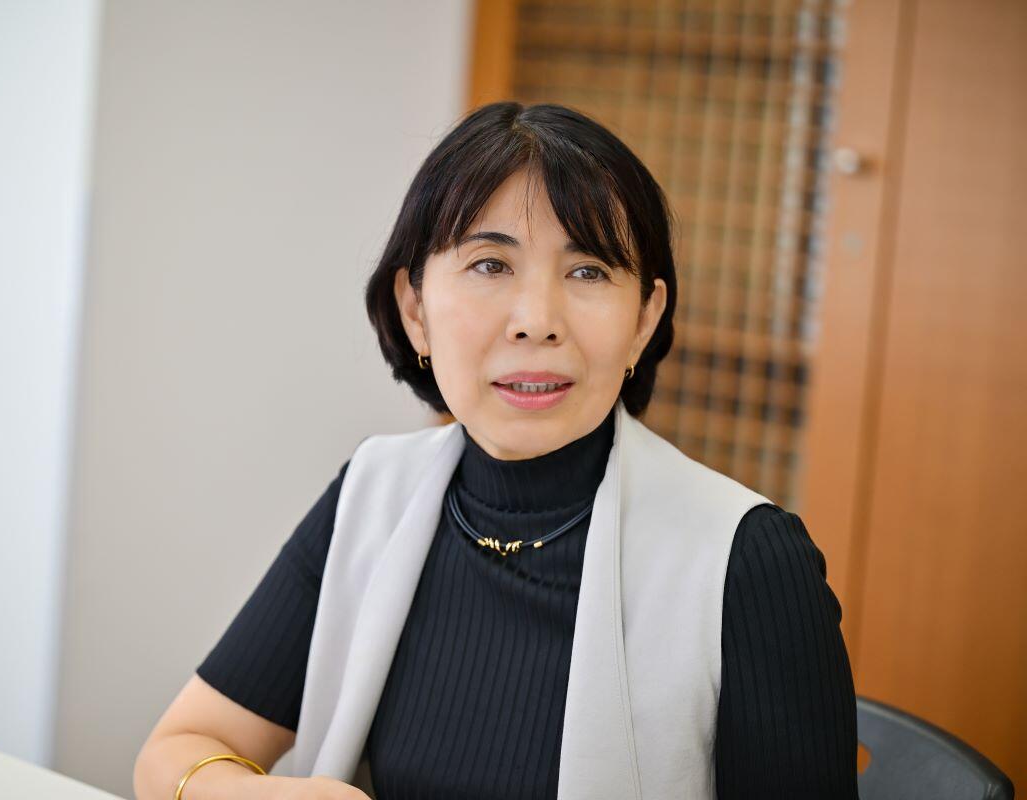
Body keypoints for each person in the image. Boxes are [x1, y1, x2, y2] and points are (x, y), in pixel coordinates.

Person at [133, 101, 859, 800]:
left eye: (588, 271)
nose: (537, 321)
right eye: (490, 265)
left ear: (644, 320)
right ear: (415, 310)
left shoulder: (746, 559)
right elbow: (180, 748)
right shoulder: (373, 497)